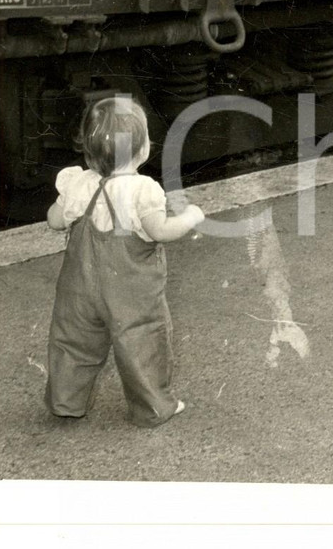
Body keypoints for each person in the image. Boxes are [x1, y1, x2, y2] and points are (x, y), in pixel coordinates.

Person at [44, 96, 205, 426]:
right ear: (143, 149)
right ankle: (152, 407)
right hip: (131, 292)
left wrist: (65, 202)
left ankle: (66, 401)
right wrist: (190, 217)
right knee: (142, 343)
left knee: (73, 343)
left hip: (79, 288)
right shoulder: (142, 190)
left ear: (88, 152)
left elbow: (55, 220)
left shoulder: (78, 183)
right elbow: (159, 229)